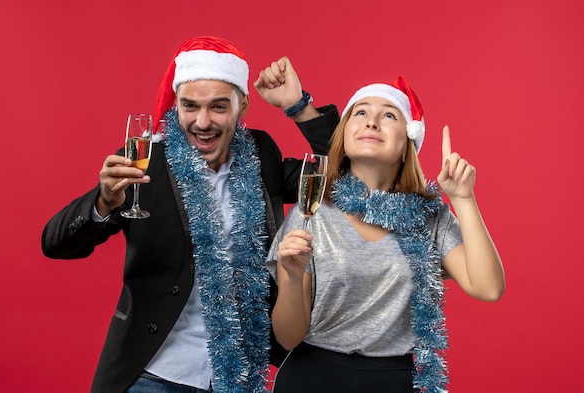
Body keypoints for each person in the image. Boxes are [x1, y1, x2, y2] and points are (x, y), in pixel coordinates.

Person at [41, 36, 339, 393]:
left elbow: (344, 177)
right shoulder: (145, 160)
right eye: (190, 106)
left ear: (242, 106)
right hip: (152, 371)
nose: (202, 122)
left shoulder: (262, 153)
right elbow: (56, 244)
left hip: (237, 375)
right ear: (176, 106)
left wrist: (299, 107)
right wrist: (104, 201)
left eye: (218, 107)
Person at [266, 76, 505, 393]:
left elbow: (488, 287)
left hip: (394, 380)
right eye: (360, 112)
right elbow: (288, 337)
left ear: (408, 143)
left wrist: (463, 200)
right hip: (312, 377)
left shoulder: (429, 218)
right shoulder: (311, 211)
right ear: (344, 137)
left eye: (389, 115)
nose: (372, 122)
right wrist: (293, 278)